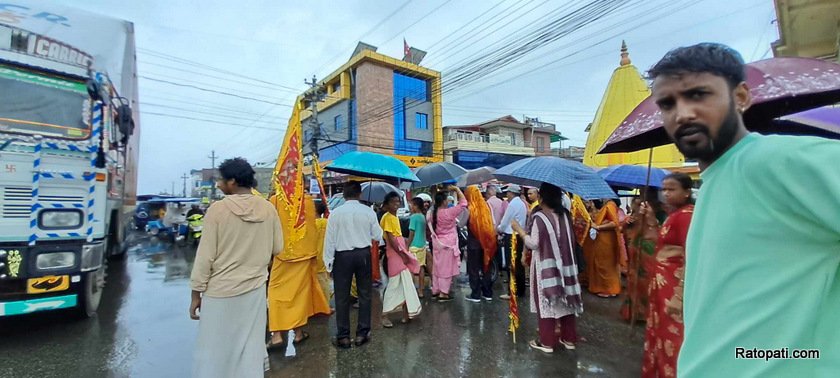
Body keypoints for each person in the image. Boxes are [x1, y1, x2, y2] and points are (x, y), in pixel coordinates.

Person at [649, 43, 840, 376]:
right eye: (668, 104)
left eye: (698, 95)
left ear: (740, 98)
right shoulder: (713, 182)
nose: (682, 113)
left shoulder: (776, 160)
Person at [190, 157, 283, 377]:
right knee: (249, 348)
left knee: (215, 350)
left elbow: (205, 257)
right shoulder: (269, 209)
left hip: (219, 292)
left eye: (220, 180)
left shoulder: (217, 210)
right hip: (254, 292)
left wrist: (196, 294)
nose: (218, 184)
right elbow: (278, 247)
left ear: (232, 182)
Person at [511, 183, 583, 353]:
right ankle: (569, 339)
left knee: (547, 302)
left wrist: (519, 230)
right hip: (566, 266)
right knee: (566, 302)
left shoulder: (540, 217)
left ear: (542, 197)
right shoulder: (566, 215)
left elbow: (533, 243)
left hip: (546, 267)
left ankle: (547, 342)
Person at [641, 173, 694, 378]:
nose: (666, 194)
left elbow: (691, 255)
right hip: (662, 285)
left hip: (673, 286)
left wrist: (678, 295)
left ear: (687, 192)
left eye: (672, 189)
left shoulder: (686, 216)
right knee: (659, 334)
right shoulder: (674, 214)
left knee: (671, 338)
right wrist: (652, 220)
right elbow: (660, 244)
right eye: (664, 189)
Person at [266, 195, 331, 351]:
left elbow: (269, 229)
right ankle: (298, 333)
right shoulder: (307, 200)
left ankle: (277, 335)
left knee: (275, 293)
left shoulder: (275, 200)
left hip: (282, 255)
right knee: (299, 295)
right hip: (304, 255)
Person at [323, 181, 383, 349]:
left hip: (342, 256)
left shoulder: (335, 214)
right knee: (365, 294)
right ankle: (362, 334)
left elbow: (330, 240)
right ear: (360, 194)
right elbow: (378, 236)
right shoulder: (368, 212)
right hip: (363, 255)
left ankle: (343, 336)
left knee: (342, 296)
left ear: (344, 195)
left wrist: (328, 263)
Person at [380, 191, 422, 328]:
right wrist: (403, 254)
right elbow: (392, 240)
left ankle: (406, 313)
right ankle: (385, 315)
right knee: (394, 284)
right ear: (387, 204)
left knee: (405, 283)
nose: (397, 204)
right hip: (395, 254)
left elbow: (397, 237)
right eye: (393, 202)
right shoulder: (387, 217)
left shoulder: (394, 217)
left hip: (399, 252)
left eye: (398, 201)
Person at [428, 186, 467, 302]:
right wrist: (457, 189)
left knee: (437, 268)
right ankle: (444, 293)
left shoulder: (433, 213)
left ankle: (436, 290)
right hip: (448, 244)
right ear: (444, 201)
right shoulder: (449, 212)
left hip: (437, 243)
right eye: (447, 200)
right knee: (446, 269)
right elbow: (464, 203)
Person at [582, 199, 622, 297]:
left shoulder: (610, 205)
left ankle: (609, 289)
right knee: (601, 263)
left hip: (606, 240)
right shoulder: (607, 206)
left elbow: (614, 223)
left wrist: (598, 227)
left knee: (605, 265)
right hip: (603, 239)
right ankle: (604, 287)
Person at [463, 186, 497, 302]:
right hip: (487, 242)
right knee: (486, 267)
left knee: (473, 268)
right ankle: (487, 293)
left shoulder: (469, 208)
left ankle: (476, 294)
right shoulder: (487, 206)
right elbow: (493, 222)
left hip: (473, 243)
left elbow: (461, 224)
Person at [496, 184, 528, 299]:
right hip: (520, 236)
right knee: (519, 265)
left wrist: (498, 229)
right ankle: (520, 291)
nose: (506, 195)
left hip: (512, 236)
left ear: (511, 193)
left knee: (512, 264)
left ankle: (512, 292)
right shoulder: (522, 204)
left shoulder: (512, 205)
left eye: (507, 193)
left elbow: (504, 222)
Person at [408, 197, 429, 298]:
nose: (410, 207)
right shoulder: (422, 217)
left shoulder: (414, 217)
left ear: (416, 206)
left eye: (411, 205)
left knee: (411, 269)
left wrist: (407, 245)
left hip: (414, 246)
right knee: (421, 268)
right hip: (422, 245)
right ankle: (421, 291)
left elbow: (411, 233)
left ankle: (411, 291)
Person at [313, 201, 333, 311]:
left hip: (315, 256)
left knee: (321, 282)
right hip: (326, 256)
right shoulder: (327, 223)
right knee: (325, 280)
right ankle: (324, 304)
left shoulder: (313, 224)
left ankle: (324, 306)